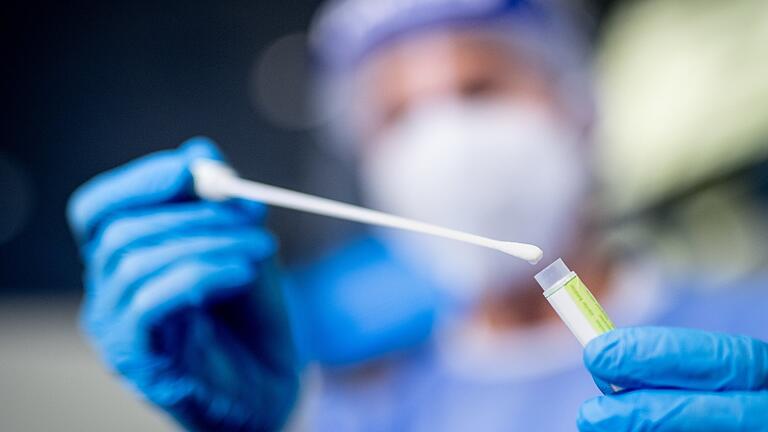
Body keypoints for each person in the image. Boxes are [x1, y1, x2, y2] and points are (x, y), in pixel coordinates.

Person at [67, 0, 768, 430]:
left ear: (578, 106)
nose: (446, 143)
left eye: (479, 87)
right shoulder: (362, 412)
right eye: (397, 115)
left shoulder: (750, 344)